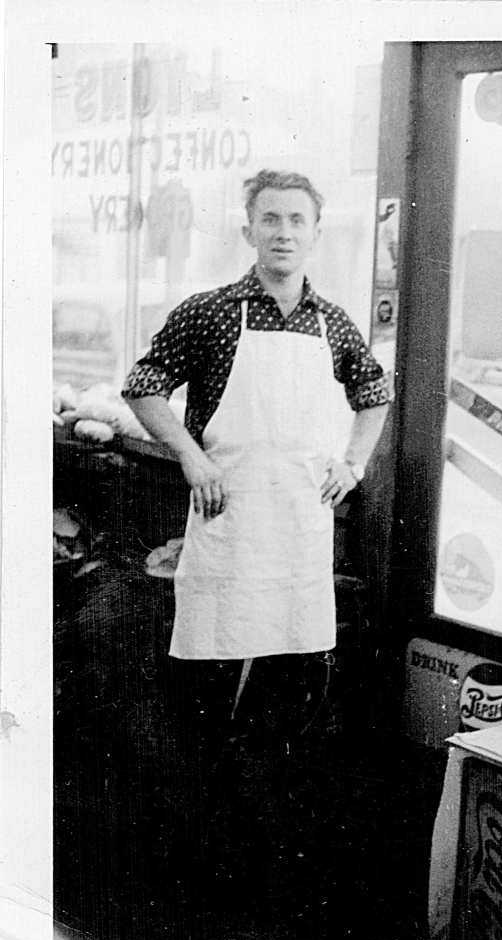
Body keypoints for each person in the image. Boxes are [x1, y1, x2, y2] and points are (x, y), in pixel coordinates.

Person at [122, 169, 391, 741]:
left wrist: (354, 464)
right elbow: (143, 385)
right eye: (271, 218)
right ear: (249, 231)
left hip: (298, 529)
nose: (284, 232)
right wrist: (191, 458)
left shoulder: (335, 324)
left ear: (315, 234)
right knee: (207, 689)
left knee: (286, 691)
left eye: (298, 220)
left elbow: (374, 394)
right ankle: (206, 803)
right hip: (230, 520)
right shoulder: (209, 312)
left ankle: (263, 803)